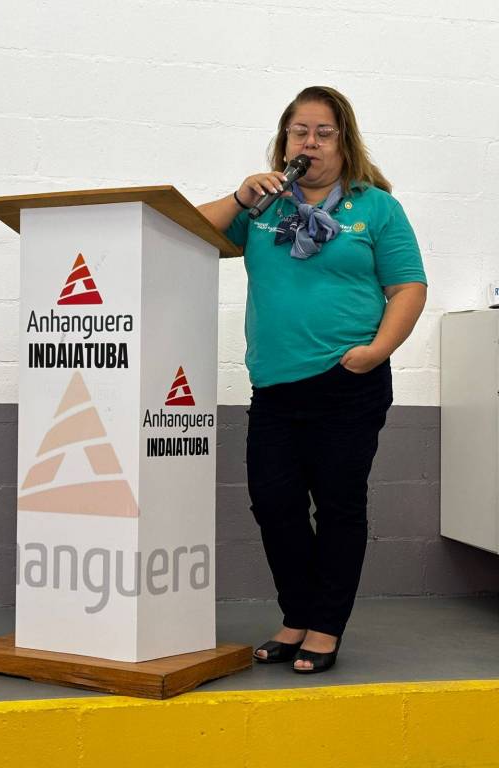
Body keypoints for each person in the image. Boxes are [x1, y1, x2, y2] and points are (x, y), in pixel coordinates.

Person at [197, 85, 427, 673]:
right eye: (300, 131)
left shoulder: (377, 208)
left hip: (348, 383)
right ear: (284, 141)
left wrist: (376, 352)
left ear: (345, 143)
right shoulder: (264, 208)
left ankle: (324, 627)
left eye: (324, 133)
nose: (311, 142)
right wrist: (239, 195)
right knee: (273, 504)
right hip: (275, 386)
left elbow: (407, 286)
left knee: (339, 506)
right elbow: (189, 234)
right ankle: (295, 616)